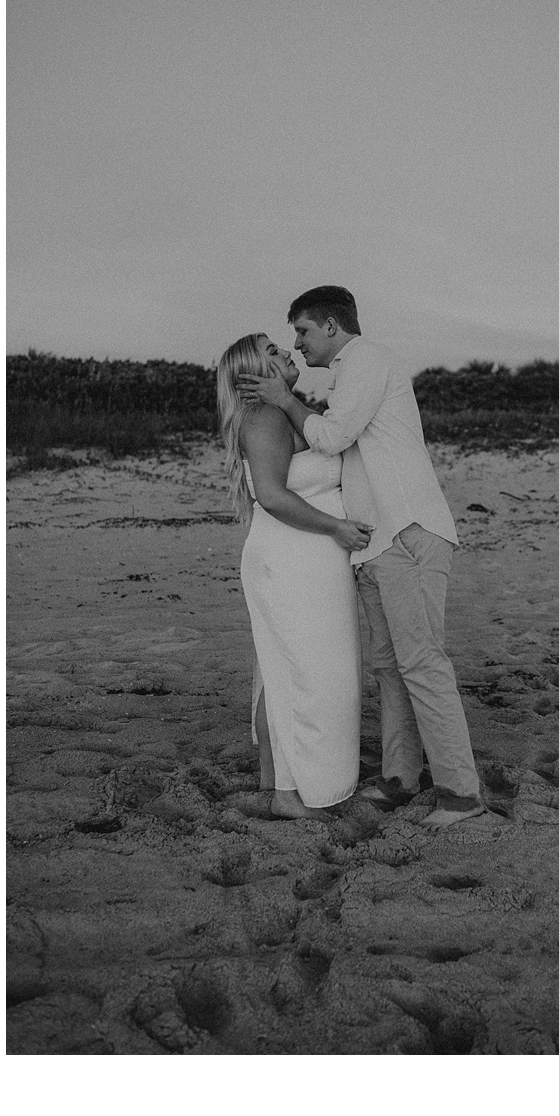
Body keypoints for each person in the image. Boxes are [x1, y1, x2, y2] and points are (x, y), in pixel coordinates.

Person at [238, 287, 484, 829]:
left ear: (329, 326)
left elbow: (332, 435)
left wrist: (284, 400)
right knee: (389, 668)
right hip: (374, 543)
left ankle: (461, 794)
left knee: (421, 663)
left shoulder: (368, 361)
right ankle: (400, 776)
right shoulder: (344, 376)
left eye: (302, 332)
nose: (297, 346)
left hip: (408, 533)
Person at [217, 333, 373, 819]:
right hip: (289, 557)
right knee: (297, 673)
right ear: (251, 372)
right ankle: (287, 791)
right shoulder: (263, 418)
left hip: (313, 559)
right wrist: (337, 527)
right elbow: (271, 494)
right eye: (272, 352)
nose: (286, 352)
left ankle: (284, 782)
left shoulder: (287, 410)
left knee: (302, 671)